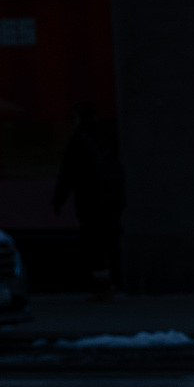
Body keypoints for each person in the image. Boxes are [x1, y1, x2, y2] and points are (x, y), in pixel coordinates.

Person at [52, 102, 124, 299]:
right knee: (107, 243)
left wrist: (58, 200)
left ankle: (102, 286)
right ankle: (112, 282)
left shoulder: (79, 141)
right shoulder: (106, 138)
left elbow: (67, 174)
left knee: (94, 245)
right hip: (110, 203)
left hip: (90, 202)